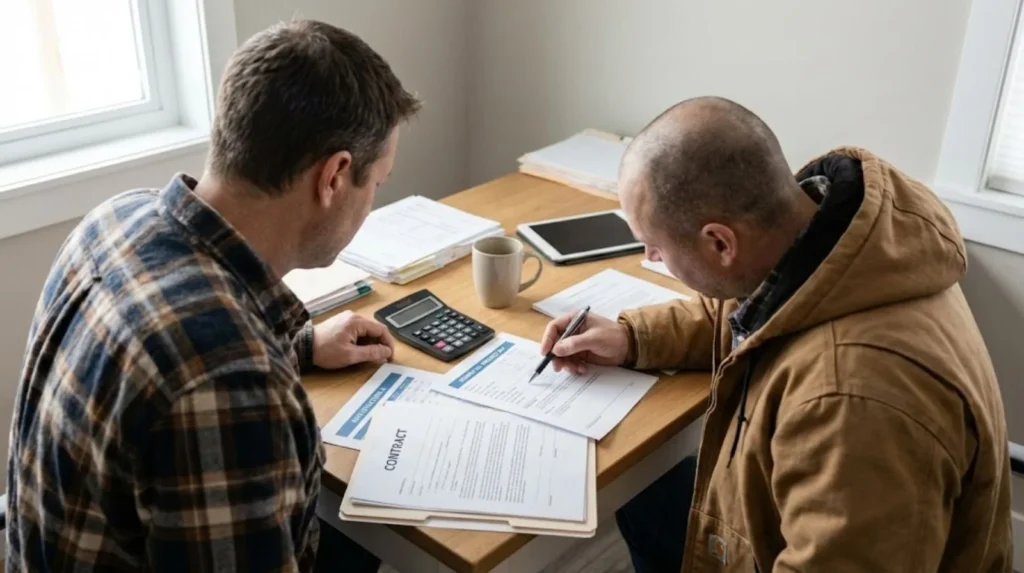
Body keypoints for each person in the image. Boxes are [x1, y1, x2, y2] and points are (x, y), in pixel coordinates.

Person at [6, 20, 420, 572]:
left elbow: (170, 358)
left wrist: (299, 346)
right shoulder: (228, 382)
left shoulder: (115, 220)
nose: (371, 203)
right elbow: (207, 375)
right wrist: (255, 366)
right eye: (377, 184)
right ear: (335, 177)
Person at [541, 97, 1014, 572]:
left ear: (720, 243)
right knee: (647, 493)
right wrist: (632, 337)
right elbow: (746, 311)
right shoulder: (840, 246)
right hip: (776, 519)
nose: (651, 256)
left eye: (655, 246)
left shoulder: (850, 402)